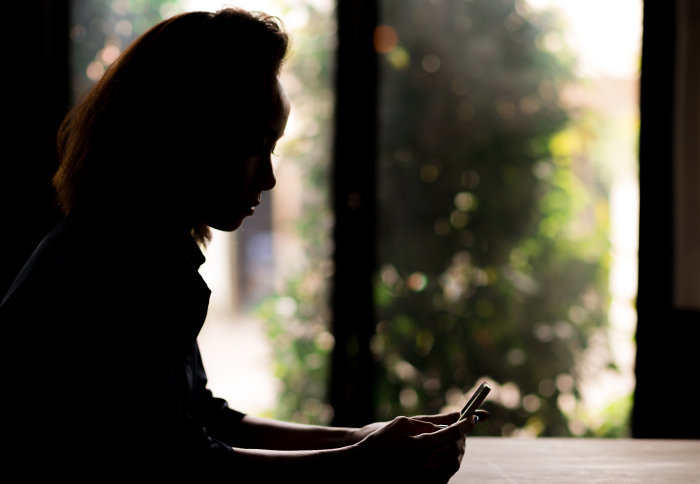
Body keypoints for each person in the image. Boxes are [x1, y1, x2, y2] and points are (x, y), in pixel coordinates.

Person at [0, 7, 487, 482]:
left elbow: (202, 420)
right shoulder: (109, 275)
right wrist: (361, 461)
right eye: (255, 147)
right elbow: (178, 466)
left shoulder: (129, 251)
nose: (271, 177)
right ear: (185, 136)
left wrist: (358, 440)